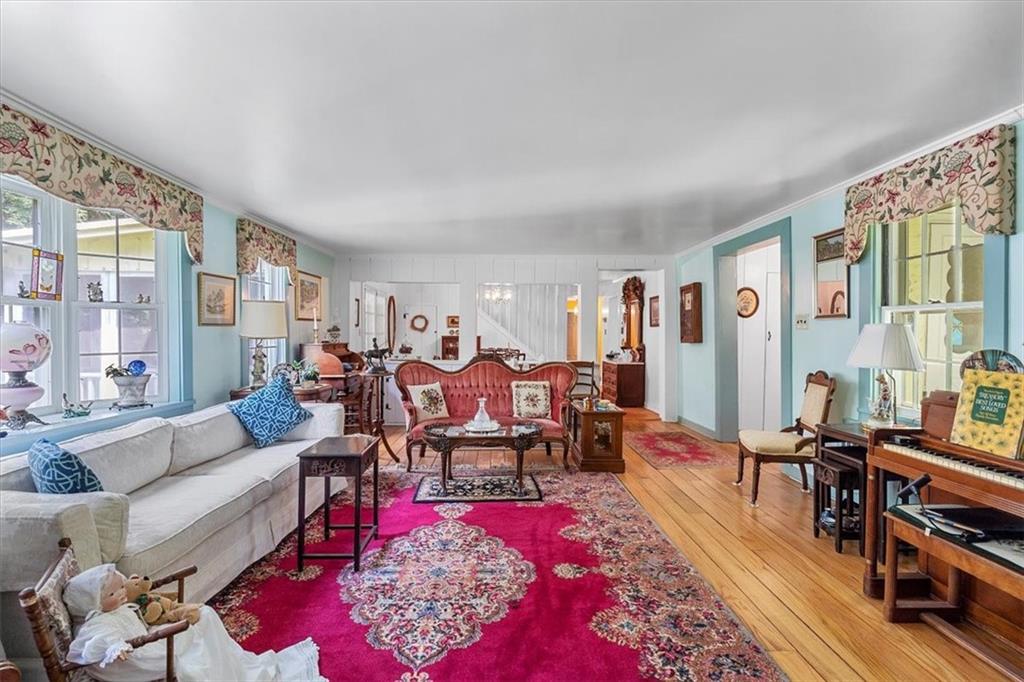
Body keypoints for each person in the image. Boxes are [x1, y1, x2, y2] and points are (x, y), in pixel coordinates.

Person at [63, 564, 325, 682]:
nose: (122, 594)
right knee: (204, 621)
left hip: (149, 640)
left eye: (121, 588)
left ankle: (232, 668)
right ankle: (226, 670)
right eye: (113, 593)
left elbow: (136, 601)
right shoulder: (98, 622)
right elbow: (91, 643)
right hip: (142, 657)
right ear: (93, 603)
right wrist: (114, 647)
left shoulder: (118, 608)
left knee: (205, 617)